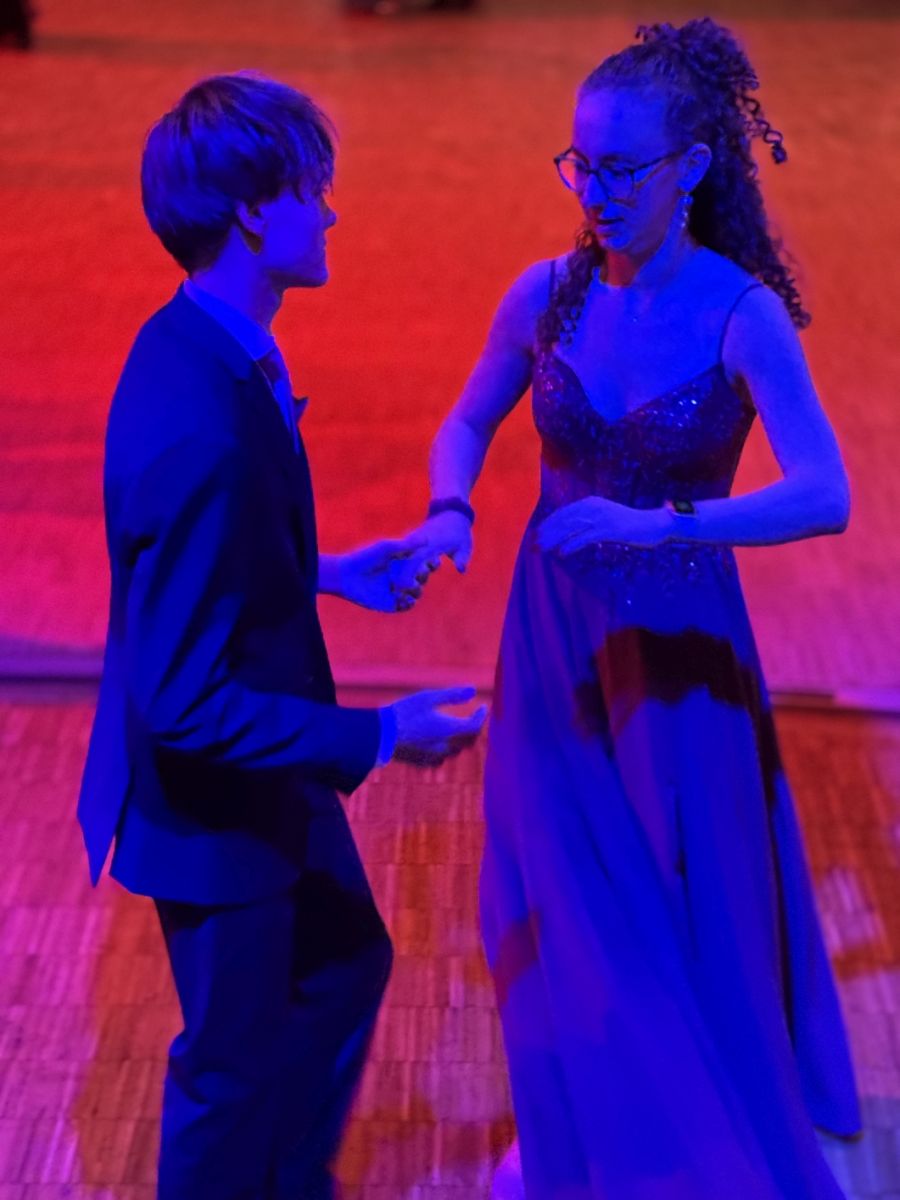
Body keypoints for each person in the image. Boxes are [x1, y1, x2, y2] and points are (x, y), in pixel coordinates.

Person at [415, 18, 861, 1200]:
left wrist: (666, 527)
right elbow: (467, 419)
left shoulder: (741, 314)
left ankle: (675, 1147)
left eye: (622, 169)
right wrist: (449, 509)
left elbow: (827, 494)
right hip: (554, 645)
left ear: (693, 167)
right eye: (581, 166)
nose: (596, 193)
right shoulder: (547, 296)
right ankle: (577, 1133)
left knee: (676, 902)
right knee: (559, 899)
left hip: (680, 657)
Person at [76, 72, 486, 1200]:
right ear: (256, 212)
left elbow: (203, 568)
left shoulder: (204, 345)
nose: (331, 212)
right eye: (315, 190)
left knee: (343, 965)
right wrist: (383, 735)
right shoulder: (200, 427)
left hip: (265, 774)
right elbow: (183, 701)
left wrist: (329, 575)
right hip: (216, 805)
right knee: (231, 1068)